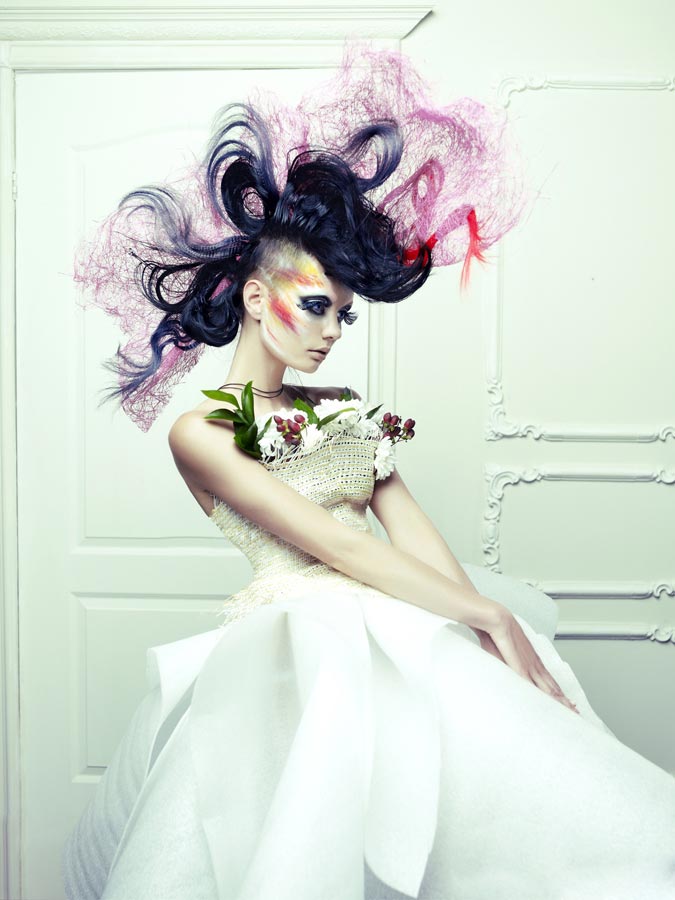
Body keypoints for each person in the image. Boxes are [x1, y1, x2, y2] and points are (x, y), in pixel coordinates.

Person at [63, 46, 675, 900]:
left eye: (343, 317)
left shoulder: (344, 408)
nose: (330, 331)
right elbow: (334, 546)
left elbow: (408, 528)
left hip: (402, 625)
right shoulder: (200, 433)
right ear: (254, 299)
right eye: (316, 306)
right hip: (298, 657)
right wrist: (483, 614)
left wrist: (482, 628)